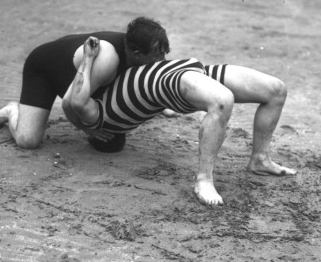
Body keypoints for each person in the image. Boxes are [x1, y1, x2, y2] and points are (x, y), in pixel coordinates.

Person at [70, 37, 297, 206]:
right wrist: (88, 58)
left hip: (189, 71)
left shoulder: (102, 117)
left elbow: (77, 100)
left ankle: (260, 159)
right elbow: (77, 101)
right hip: (170, 81)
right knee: (222, 100)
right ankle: (204, 180)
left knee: (276, 90)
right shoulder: (100, 118)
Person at [0, 17, 170, 151]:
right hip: (45, 69)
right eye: (157, 55)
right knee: (27, 140)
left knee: (112, 142)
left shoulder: (139, 48)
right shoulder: (107, 58)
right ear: (137, 53)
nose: (162, 60)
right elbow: (70, 103)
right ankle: (12, 110)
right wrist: (85, 129)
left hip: (79, 71)